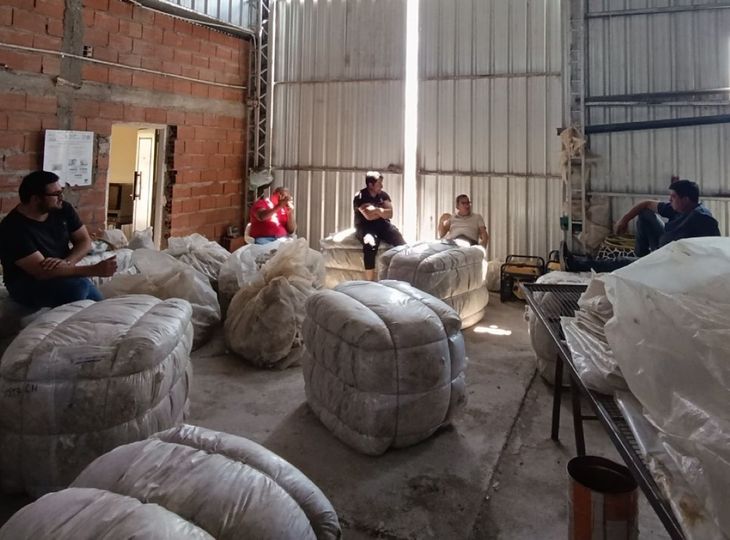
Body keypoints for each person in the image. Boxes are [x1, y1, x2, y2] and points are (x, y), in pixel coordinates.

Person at [0, 170, 117, 309]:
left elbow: (84, 240)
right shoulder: (12, 228)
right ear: (35, 199)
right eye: (56, 194)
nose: (61, 197)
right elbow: (41, 272)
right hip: (27, 283)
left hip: (63, 273)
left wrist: (67, 262)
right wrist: (93, 270)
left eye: (61, 192)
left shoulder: (62, 209)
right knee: (78, 287)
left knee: (95, 300)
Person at [564, 179, 721, 272]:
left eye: (673, 197)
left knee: (620, 262)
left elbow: (715, 248)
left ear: (686, 199)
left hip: (671, 263)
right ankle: (641, 258)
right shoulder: (677, 208)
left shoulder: (702, 218)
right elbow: (646, 204)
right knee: (645, 214)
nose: (669, 199)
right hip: (662, 249)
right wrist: (624, 220)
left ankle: (576, 264)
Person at [353, 171, 406, 281]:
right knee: (370, 244)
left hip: (383, 224)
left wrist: (376, 210)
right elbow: (368, 216)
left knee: (399, 240)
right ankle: (370, 282)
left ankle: (403, 274)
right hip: (365, 226)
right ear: (370, 185)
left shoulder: (383, 195)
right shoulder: (360, 196)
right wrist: (382, 212)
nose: (381, 186)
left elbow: (390, 214)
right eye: (379, 183)